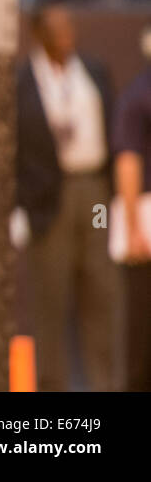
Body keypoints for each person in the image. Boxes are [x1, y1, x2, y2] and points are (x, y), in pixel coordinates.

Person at [14, 4, 119, 391]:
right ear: (40, 35)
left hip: (93, 190)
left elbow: (113, 129)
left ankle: (105, 384)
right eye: (58, 30)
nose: (67, 36)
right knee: (51, 300)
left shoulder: (93, 71)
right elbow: (16, 149)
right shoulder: (22, 83)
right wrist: (22, 204)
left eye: (70, 28)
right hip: (49, 196)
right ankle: (51, 385)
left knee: (102, 293)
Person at [111, 24, 151, 392]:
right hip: (147, 222)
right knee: (141, 323)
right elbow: (128, 161)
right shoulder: (139, 96)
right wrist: (135, 226)